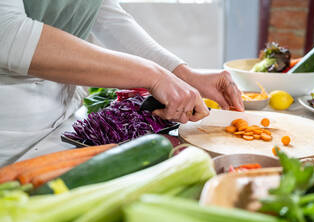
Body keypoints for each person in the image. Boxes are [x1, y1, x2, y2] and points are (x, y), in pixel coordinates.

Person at [0, 0, 243, 166]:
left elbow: (104, 14)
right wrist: (153, 75)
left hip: (64, 115)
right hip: (9, 128)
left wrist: (183, 74)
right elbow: (7, 30)